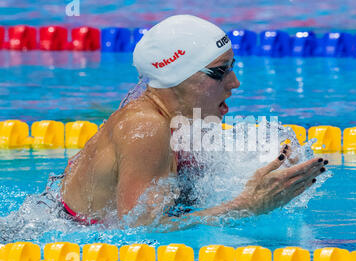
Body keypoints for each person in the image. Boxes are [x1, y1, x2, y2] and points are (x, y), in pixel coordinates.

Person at [59, 15, 328, 229]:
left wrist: (269, 172)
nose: (235, 83)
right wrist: (249, 204)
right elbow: (138, 232)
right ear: (177, 77)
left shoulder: (186, 118)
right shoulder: (145, 128)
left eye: (233, 66)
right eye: (220, 72)